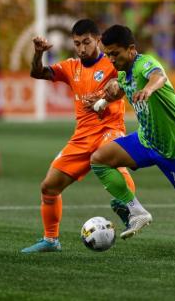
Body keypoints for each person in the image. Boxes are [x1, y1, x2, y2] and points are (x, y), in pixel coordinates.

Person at [87, 25, 175, 256]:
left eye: (115, 53)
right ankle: (137, 212)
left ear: (131, 49)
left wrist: (149, 89)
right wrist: (101, 103)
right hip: (146, 141)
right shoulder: (123, 72)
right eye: (107, 54)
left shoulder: (144, 63)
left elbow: (159, 76)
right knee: (99, 160)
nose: (110, 59)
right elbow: (121, 88)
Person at [21, 19, 136, 253]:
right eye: (77, 43)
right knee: (49, 187)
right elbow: (37, 72)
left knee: (113, 162)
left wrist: (108, 96)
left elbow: (126, 82)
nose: (82, 48)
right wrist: (38, 54)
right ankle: (51, 240)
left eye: (86, 42)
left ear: (98, 41)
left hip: (109, 130)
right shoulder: (71, 66)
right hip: (82, 137)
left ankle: (128, 205)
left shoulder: (112, 62)